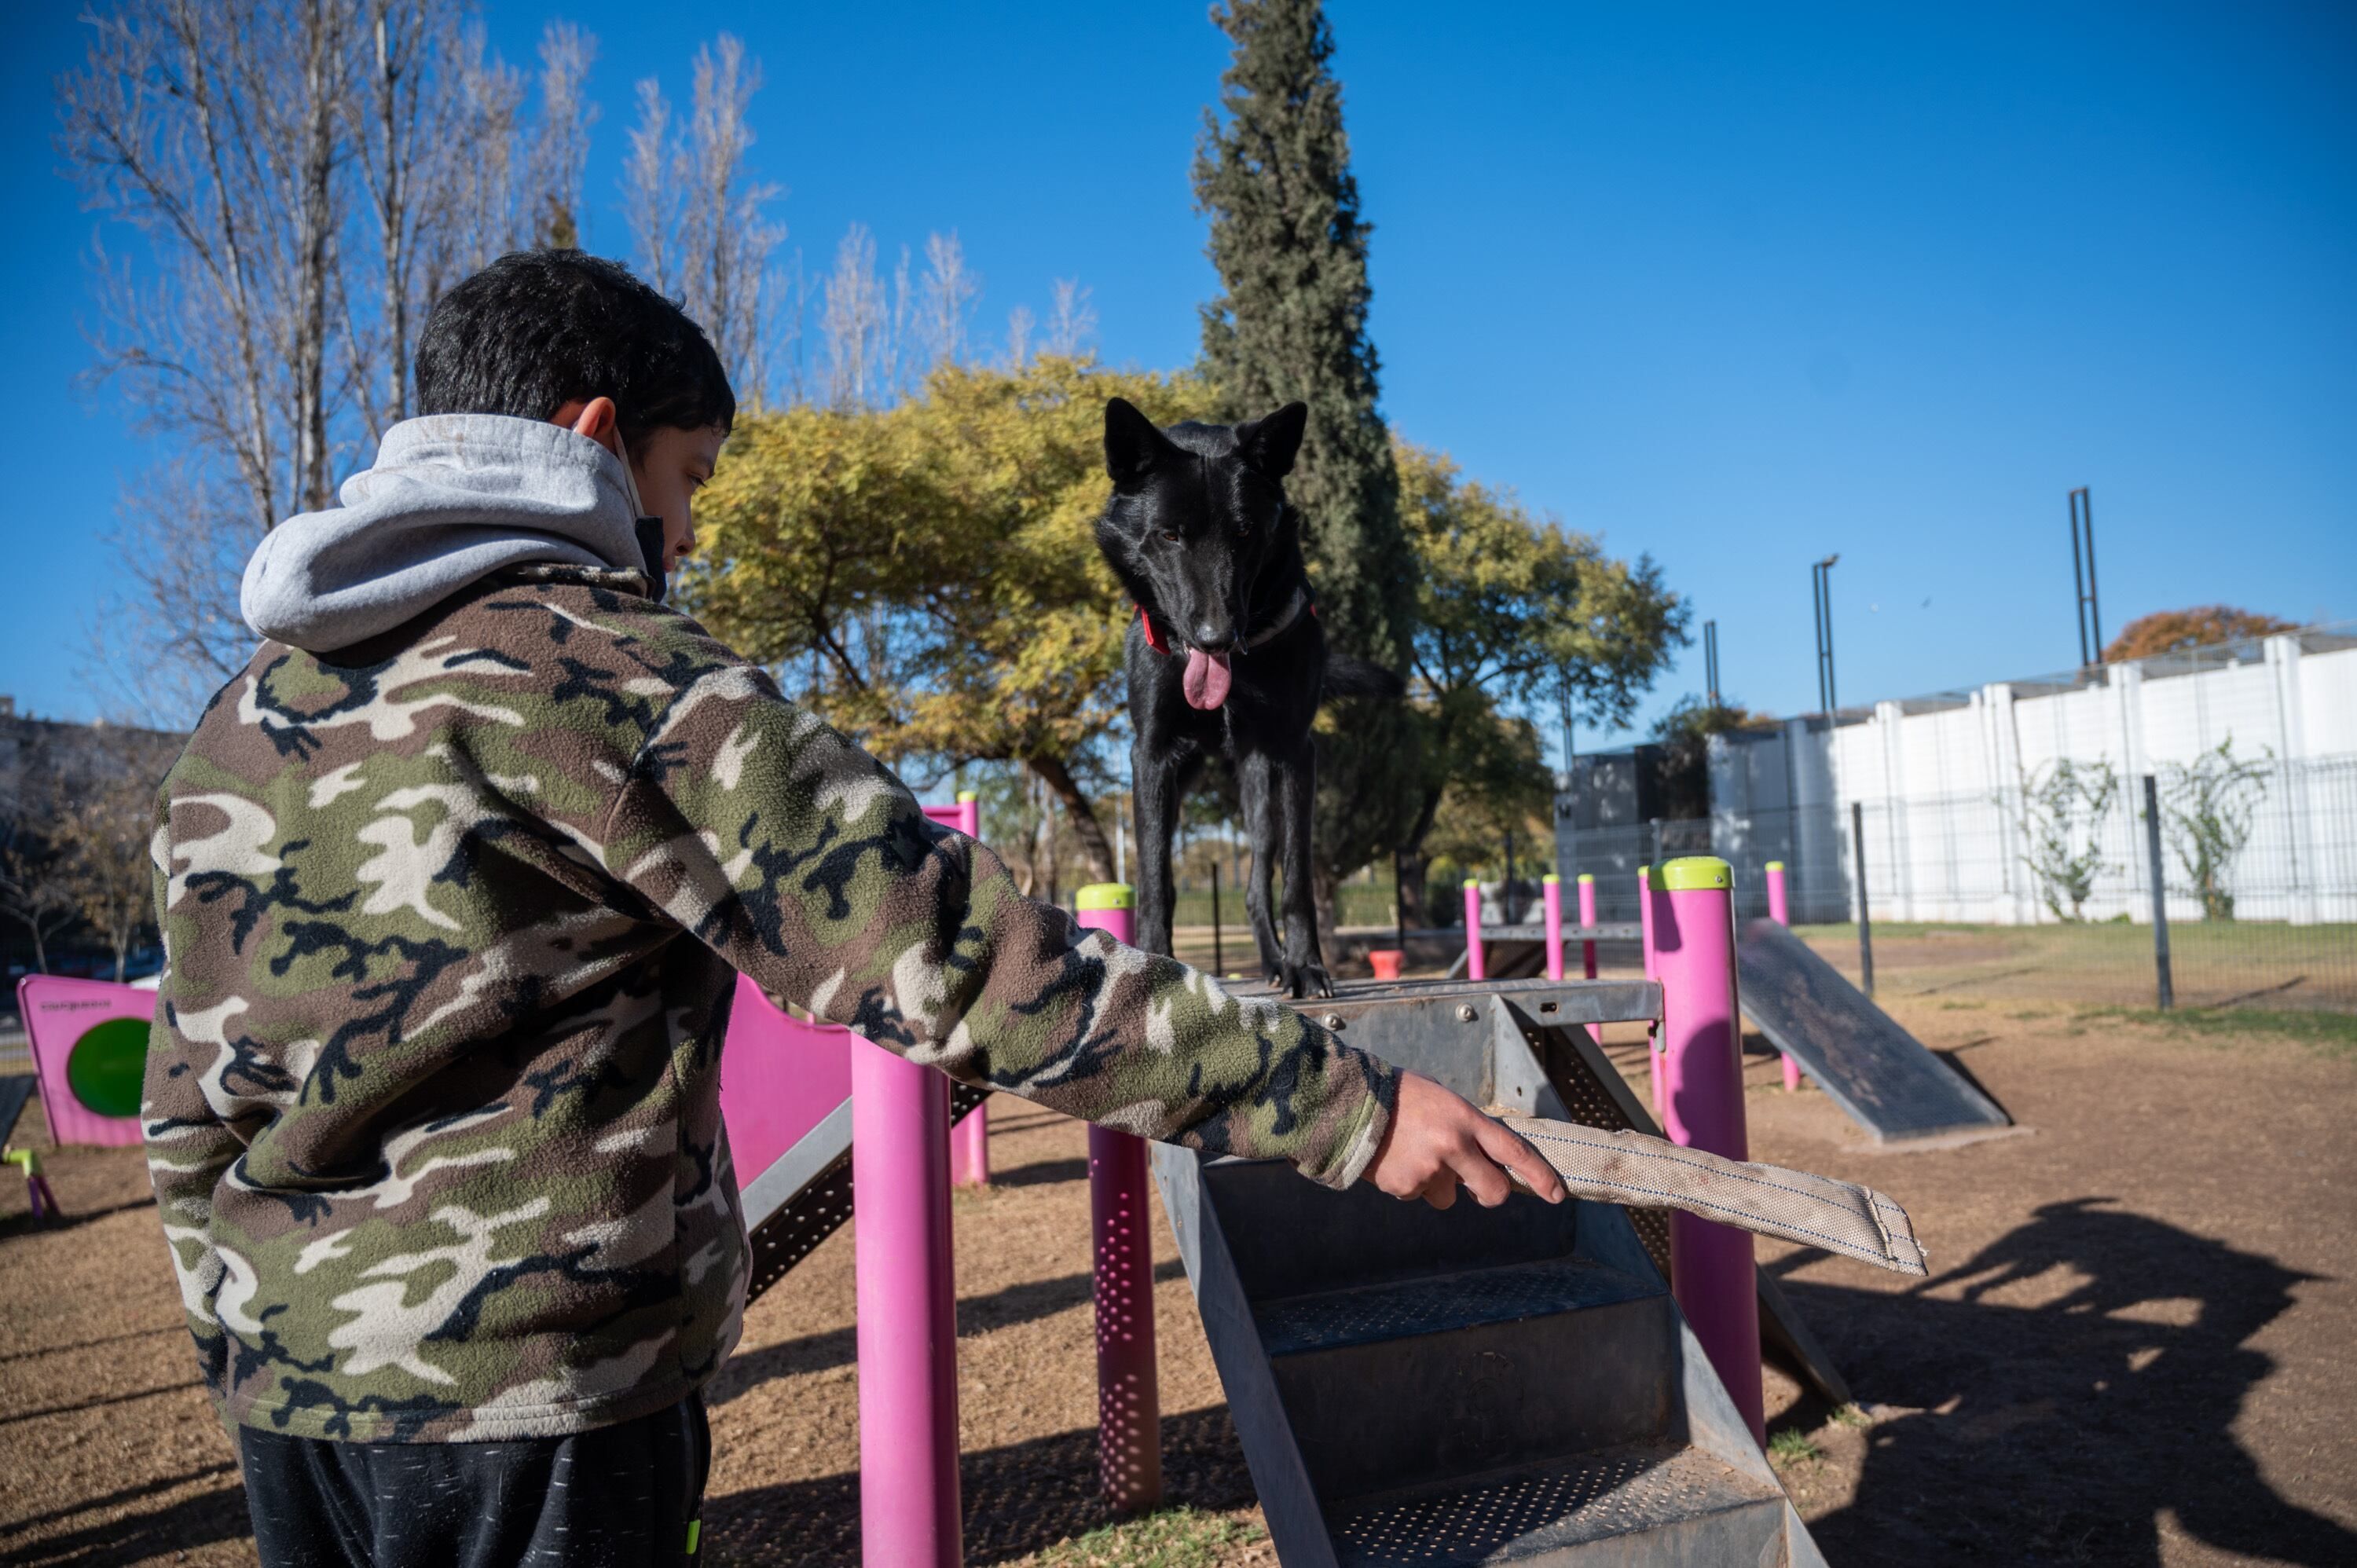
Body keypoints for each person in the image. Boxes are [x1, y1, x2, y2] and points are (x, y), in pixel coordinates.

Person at [144, 249, 1563, 1568]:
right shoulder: (611, 673)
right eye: (687, 478)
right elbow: (947, 953)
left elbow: (187, 1094)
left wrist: (241, 1339)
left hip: (288, 1402)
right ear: (593, 439)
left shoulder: (242, 718)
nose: (685, 530)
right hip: (535, 1403)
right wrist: (1341, 1104)